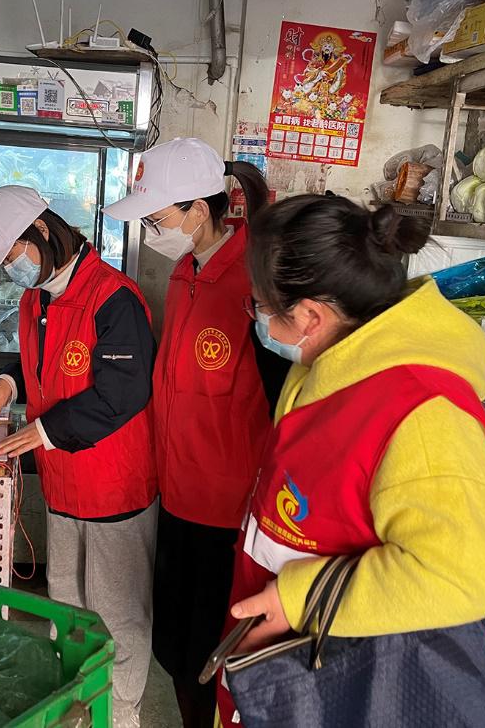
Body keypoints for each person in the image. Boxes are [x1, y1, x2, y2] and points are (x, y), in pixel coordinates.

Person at [218, 195, 485, 726]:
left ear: (311, 314)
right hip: (299, 671)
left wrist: (300, 600)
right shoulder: (329, 365)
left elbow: (458, 577)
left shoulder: (425, 416)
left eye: (261, 308)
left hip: (361, 691)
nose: (260, 321)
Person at [105, 138, 289, 728]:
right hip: (177, 493)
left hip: (228, 508)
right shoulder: (186, 271)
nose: (154, 230)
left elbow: (284, 399)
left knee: (217, 652)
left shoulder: (256, 283)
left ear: (199, 210)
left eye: (158, 218)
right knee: (179, 646)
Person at [0, 185, 157, 728]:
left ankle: (122, 715)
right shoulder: (37, 298)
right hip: (63, 482)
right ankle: (78, 704)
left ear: (43, 231)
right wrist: (7, 382)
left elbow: (124, 391)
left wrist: (43, 431)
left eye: (13, 255)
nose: (10, 272)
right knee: (65, 607)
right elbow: (37, 363)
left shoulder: (114, 297)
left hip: (114, 486)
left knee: (118, 614)